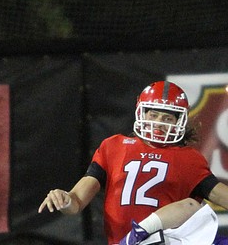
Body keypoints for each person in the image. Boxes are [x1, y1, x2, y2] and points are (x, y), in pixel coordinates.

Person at [38, 81, 228, 245]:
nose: (158, 123)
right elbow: (76, 203)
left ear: (180, 121)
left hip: (165, 241)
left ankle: (140, 233)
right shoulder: (113, 147)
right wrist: (64, 200)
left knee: (192, 208)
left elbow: (218, 197)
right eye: (153, 115)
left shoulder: (188, 158)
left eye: (167, 118)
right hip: (120, 242)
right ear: (141, 113)